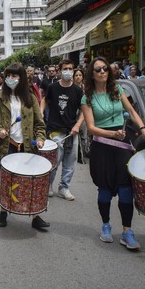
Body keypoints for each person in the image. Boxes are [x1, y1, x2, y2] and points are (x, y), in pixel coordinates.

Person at [81, 57, 145, 250]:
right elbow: (90, 128)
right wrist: (112, 133)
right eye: (98, 69)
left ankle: (127, 232)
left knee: (125, 190)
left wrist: (144, 128)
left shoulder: (117, 90)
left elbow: (131, 110)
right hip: (102, 146)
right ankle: (106, 225)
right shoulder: (87, 98)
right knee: (104, 191)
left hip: (122, 144)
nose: (102, 72)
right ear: (92, 73)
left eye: (105, 68)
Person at [0, 63, 47, 229]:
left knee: (31, 181)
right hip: (8, 146)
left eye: (14, 76)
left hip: (28, 145)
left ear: (21, 78)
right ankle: (3, 211)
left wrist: (40, 138)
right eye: (8, 76)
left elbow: (39, 124)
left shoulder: (30, 98)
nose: (11, 79)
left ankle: (35, 216)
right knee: (7, 181)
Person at [41, 59, 84, 200]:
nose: (68, 71)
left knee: (70, 163)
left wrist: (78, 125)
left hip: (72, 131)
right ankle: (48, 185)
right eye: (65, 68)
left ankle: (64, 188)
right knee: (54, 161)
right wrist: (41, 113)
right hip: (54, 131)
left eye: (71, 69)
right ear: (60, 71)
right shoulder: (53, 87)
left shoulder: (78, 91)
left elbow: (84, 110)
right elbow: (44, 100)